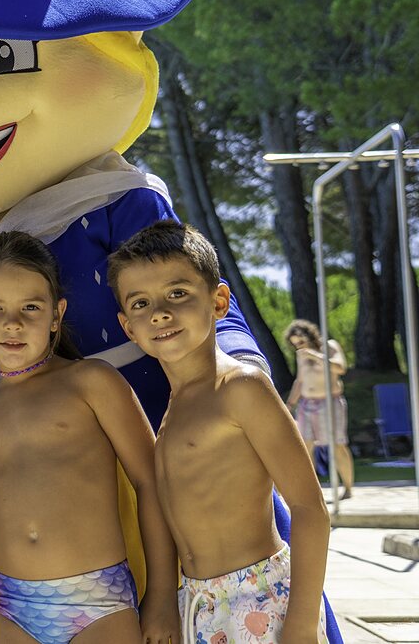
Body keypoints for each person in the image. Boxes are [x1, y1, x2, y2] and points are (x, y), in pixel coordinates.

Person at [0, 231, 178, 644]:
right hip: (11, 606)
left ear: (56, 314)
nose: (13, 322)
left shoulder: (91, 381)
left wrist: (162, 594)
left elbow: (151, 482)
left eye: (30, 307)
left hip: (98, 601)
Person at [110, 221, 331, 644]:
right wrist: (163, 601)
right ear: (127, 327)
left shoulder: (241, 388)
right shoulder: (173, 412)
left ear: (218, 301)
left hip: (261, 599)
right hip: (198, 603)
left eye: (178, 294)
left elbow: (309, 508)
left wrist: (302, 623)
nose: (159, 312)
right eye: (141, 303)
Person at [284, 319, 354, 500]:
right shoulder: (301, 355)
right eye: (295, 345)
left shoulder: (329, 346)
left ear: (309, 335)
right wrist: (290, 404)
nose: (299, 347)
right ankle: (311, 490)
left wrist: (315, 355)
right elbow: (300, 381)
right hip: (306, 404)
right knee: (305, 446)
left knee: (338, 445)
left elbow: (341, 367)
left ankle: (347, 488)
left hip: (329, 402)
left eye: (300, 342)